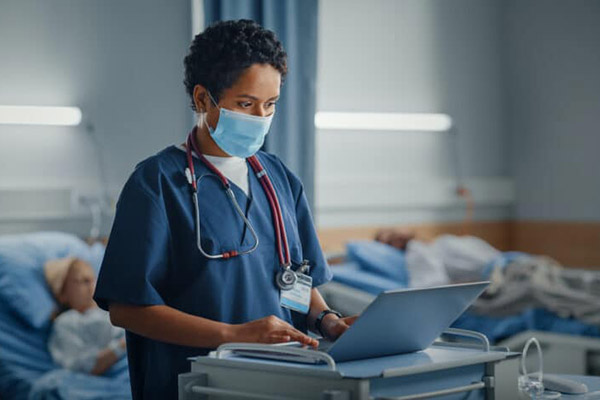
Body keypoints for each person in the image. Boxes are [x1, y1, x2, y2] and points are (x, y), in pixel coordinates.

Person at [93, 19, 355, 399]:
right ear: (203, 99)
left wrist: (326, 320)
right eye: (245, 104)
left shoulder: (278, 178)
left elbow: (294, 278)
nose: (260, 118)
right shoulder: (158, 183)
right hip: (195, 384)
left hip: (281, 381)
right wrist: (232, 336)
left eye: (270, 105)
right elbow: (126, 308)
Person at [45, 258, 126, 375]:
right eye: (83, 280)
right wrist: (122, 346)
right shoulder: (67, 322)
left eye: (93, 279)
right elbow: (81, 366)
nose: (92, 285)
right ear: (62, 294)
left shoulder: (108, 309)